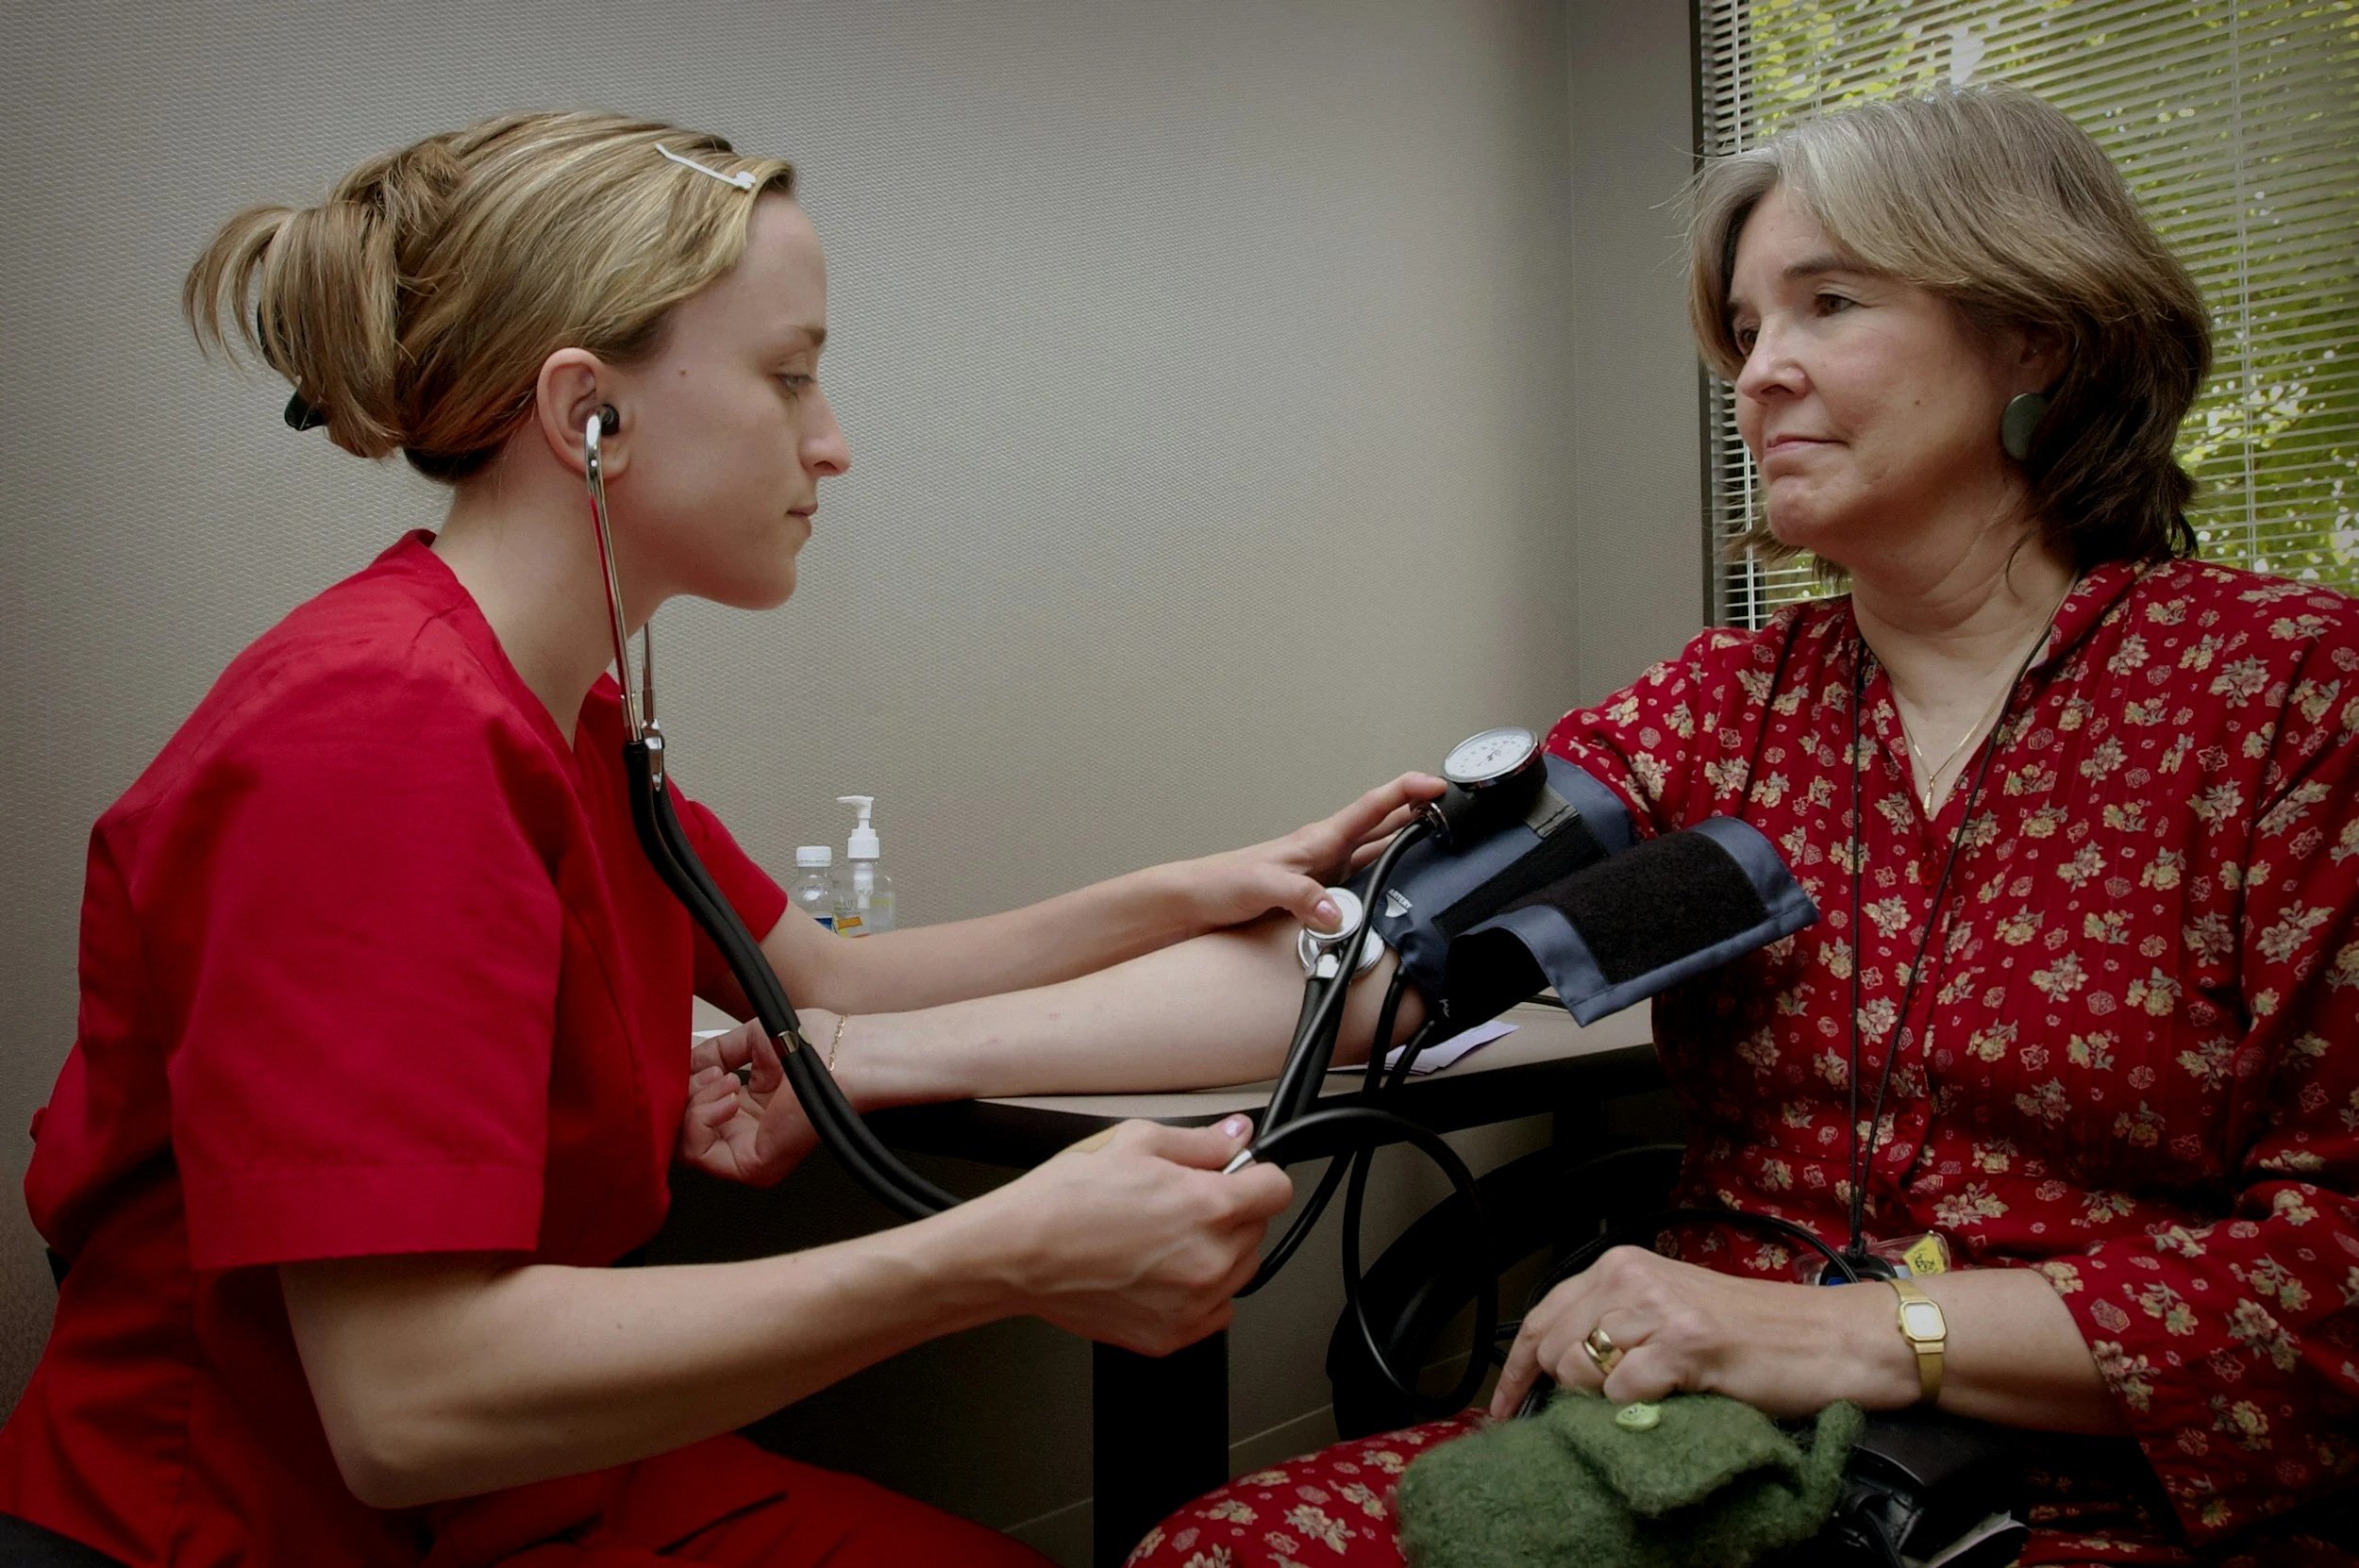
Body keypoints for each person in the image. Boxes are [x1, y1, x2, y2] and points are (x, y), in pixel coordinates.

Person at [0, 111, 1443, 1567]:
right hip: (270, 1526)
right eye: (787, 375)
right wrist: (997, 1255)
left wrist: (1185, 885)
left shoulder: (552, 712)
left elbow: (840, 980)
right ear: (588, 416)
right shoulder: (377, 727)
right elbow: (404, 1404)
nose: (834, 442)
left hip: (536, 1486)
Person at [1129, 85, 2359, 1567]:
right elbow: (1381, 965)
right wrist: (865, 1052)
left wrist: (1847, 1332)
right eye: (1745, 329)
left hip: (2098, 1494)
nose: (1760, 373)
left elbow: (2335, 1263)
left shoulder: (2290, 694)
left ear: (2034, 332)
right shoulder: (1732, 714)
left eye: (1827, 304)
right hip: (1686, 1455)